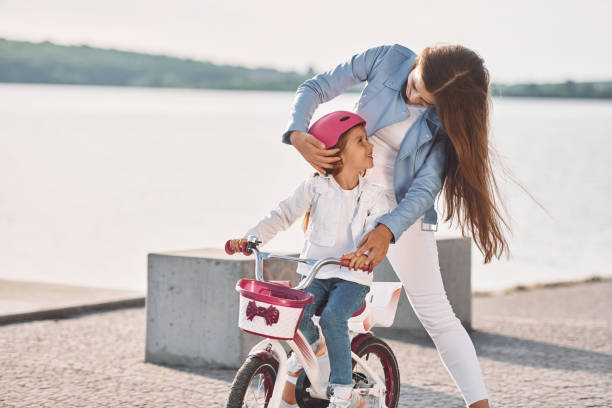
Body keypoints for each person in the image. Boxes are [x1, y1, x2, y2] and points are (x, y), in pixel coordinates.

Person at [282, 44, 510, 408]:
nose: (413, 96)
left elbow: (424, 189)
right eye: (416, 83)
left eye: (426, 100)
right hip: (344, 197)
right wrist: (297, 132)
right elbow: (316, 87)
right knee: (311, 295)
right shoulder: (387, 59)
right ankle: (301, 378)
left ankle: (479, 404)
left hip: (402, 212)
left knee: (437, 315)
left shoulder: (447, 121)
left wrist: (388, 229)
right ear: (418, 60)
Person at [228, 111, 394, 408]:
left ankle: (343, 391)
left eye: (366, 140)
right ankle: (312, 348)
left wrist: (362, 256)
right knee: (294, 312)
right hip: (315, 273)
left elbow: (377, 235)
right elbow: (282, 214)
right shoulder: (314, 187)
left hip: (351, 278)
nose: (370, 147)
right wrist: (251, 238)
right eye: (360, 141)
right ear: (335, 154)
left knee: (332, 317)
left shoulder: (374, 196)